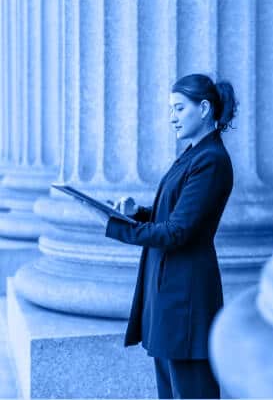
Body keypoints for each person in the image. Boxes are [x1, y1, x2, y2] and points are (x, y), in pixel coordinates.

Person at [90, 73, 236, 398]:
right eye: (171, 109)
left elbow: (177, 232)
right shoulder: (192, 154)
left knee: (191, 392)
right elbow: (177, 213)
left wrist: (118, 227)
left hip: (186, 297)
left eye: (179, 108)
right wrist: (135, 212)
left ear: (204, 108)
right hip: (169, 296)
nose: (172, 117)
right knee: (170, 392)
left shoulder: (211, 160)